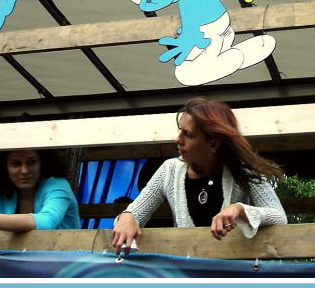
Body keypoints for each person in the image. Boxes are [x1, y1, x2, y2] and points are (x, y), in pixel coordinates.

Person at [112, 97, 287, 254]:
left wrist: (240, 209)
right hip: (187, 272)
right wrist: (127, 216)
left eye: (187, 134)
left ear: (213, 144)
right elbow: (133, 214)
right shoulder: (169, 171)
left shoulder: (245, 171)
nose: (177, 139)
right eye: (180, 131)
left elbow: (279, 217)